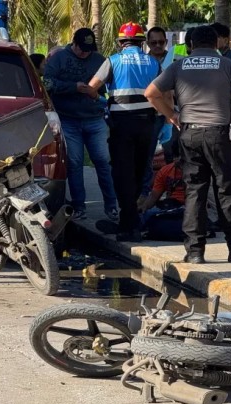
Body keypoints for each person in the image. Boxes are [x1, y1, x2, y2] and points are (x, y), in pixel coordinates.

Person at [145, 25, 231, 264]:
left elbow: (151, 93)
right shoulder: (227, 66)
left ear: (190, 46)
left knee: (194, 192)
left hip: (189, 135)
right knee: (226, 192)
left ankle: (195, 251)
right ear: (216, 44)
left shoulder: (178, 66)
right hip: (220, 135)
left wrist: (172, 115)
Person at [84, 22, 161, 242]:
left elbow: (92, 87)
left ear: (120, 42)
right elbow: (163, 92)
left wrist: (103, 100)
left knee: (122, 172)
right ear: (141, 42)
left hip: (121, 124)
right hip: (147, 123)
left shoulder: (113, 60)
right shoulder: (153, 62)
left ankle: (129, 225)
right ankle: (131, 222)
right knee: (139, 170)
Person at [43, 28, 118, 223]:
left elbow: (108, 91)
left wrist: (96, 96)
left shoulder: (99, 60)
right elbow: (48, 84)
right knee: (75, 162)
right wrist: (73, 87)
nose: (85, 53)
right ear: (73, 44)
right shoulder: (58, 59)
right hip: (68, 119)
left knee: (102, 160)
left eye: (88, 50)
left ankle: (111, 205)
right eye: (82, 49)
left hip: (94, 118)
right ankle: (79, 206)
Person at [141, 26, 171, 201]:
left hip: (172, 115)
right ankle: (146, 193)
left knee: (171, 156)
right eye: (154, 43)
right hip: (149, 116)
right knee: (148, 157)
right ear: (147, 43)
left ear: (166, 41)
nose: (158, 45)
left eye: (161, 42)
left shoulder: (176, 58)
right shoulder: (144, 63)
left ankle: (171, 192)